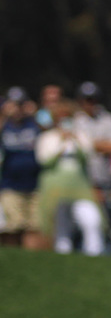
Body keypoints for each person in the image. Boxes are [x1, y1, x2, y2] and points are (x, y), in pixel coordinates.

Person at [35, 99, 106, 255]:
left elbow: (87, 155)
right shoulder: (47, 138)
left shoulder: (80, 137)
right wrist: (61, 142)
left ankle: (94, 253)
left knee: (91, 219)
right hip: (55, 186)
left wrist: (75, 139)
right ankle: (63, 253)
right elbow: (44, 160)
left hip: (79, 186)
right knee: (61, 224)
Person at [1, 88, 45, 249]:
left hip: (34, 184)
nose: (17, 109)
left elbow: (50, 129)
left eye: (20, 104)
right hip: (10, 184)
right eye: (14, 104)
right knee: (13, 225)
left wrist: (34, 113)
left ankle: (30, 262)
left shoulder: (33, 123)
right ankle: (13, 258)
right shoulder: (5, 125)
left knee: (33, 226)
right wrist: (5, 115)